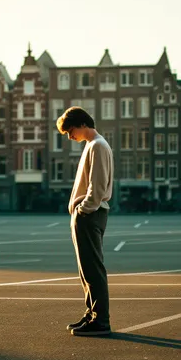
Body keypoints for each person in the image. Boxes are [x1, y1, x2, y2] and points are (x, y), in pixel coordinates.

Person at [56, 106, 113, 336]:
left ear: (81, 124)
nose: (70, 137)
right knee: (86, 270)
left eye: (70, 131)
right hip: (87, 214)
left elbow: (97, 187)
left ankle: (100, 320)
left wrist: (83, 209)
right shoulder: (93, 145)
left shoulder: (98, 145)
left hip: (91, 214)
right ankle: (92, 314)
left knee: (92, 269)